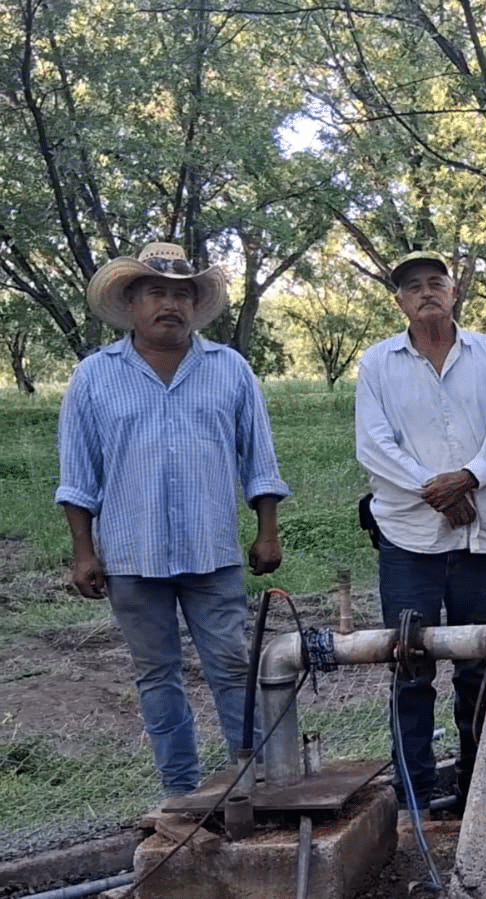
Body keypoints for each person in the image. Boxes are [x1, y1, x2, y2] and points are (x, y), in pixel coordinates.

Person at [56, 241, 289, 798]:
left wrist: (267, 528)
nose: (170, 305)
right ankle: (181, 792)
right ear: (132, 301)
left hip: (212, 551)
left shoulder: (229, 368)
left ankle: (252, 781)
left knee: (233, 668)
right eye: (157, 292)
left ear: (195, 305)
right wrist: (84, 551)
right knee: (157, 676)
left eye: (182, 295)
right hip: (131, 555)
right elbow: (77, 474)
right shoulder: (94, 376)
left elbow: (259, 458)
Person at [355, 250, 486, 814]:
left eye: (436, 283)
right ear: (400, 301)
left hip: (478, 535)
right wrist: (436, 490)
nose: (426, 292)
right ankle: (413, 793)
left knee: (477, 663)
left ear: (454, 293)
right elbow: (374, 444)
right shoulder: (379, 364)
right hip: (409, 537)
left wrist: (468, 478)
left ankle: (477, 787)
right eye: (413, 287)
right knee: (410, 666)